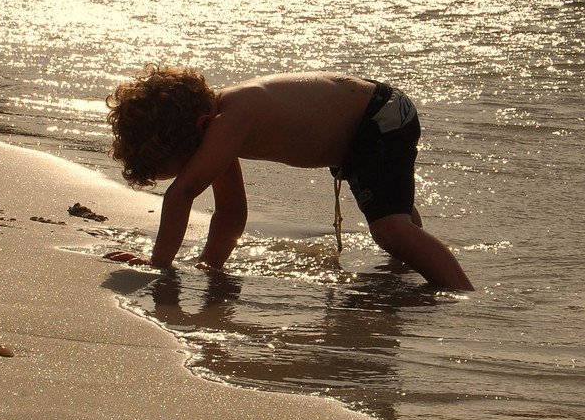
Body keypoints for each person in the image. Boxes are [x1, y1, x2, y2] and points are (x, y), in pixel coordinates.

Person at [103, 64, 474, 292]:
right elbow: (231, 212)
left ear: (199, 129)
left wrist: (159, 265)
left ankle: (459, 292)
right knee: (392, 212)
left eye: (185, 162)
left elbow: (182, 193)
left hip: (379, 118)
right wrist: (209, 266)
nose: (194, 169)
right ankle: (405, 268)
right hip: (365, 125)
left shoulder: (230, 119)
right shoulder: (220, 125)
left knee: (390, 228)